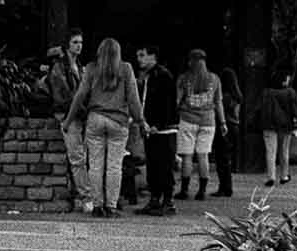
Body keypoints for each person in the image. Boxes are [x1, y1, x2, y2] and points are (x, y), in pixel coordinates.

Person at [64, 37, 144, 218]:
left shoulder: (92, 68)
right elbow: (133, 98)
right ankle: (111, 206)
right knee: (114, 166)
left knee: (95, 165)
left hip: (95, 119)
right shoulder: (126, 68)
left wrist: (68, 121)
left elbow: (80, 95)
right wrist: (140, 120)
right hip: (118, 121)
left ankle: (97, 206)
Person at [46, 28, 88, 211]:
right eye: (75, 42)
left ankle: (86, 194)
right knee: (77, 156)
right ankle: (86, 196)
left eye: (80, 42)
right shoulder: (60, 67)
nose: (79, 46)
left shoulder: (80, 65)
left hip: (79, 114)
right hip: (67, 115)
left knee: (82, 156)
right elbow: (62, 95)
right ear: (67, 45)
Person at [173, 48, 223, 202]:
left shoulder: (184, 78)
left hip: (188, 119)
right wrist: (223, 122)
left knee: (187, 156)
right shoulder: (215, 79)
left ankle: (184, 190)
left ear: (190, 61)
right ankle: (201, 191)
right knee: (203, 156)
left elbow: (177, 100)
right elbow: (218, 102)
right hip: (208, 121)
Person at [134, 46, 178, 216]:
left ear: (153, 56)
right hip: (150, 128)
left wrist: (158, 124)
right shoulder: (148, 77)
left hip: (163, 130)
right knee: (153, 165)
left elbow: (167, 103)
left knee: (164, 165)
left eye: (142, 55)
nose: (139, 59)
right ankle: (155, 198)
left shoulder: (163, 76)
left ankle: (168, 200)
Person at [257, 69, 297, 186]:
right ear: (283, 79)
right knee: (284, 151)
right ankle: (284, 175)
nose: (288, 80)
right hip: (285, 126)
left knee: (270, 152)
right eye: (287, 78)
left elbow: (259, 109)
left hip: (268, 125)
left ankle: (270, 177)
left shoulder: (266, 92)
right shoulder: (290, 93)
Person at [214, 65, 242, 196]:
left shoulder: (224, 96)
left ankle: (223, 187)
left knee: (221, 158)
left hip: (224, 126)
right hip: (235, 126)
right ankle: (228, 187)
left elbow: (220, 111)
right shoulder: (237, 95)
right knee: (228, 159)